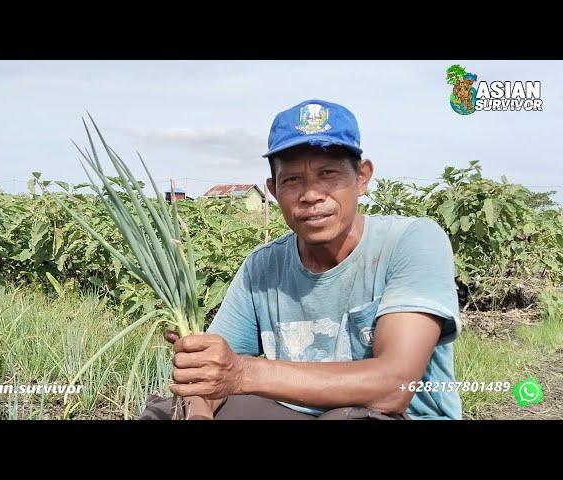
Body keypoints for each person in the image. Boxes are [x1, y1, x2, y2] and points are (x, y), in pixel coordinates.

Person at [140, 99, 462, 420]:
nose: (311, 194)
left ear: (362, 178)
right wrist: (199, 412)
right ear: (273, 190)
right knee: (165, 412)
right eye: (293, 180)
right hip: (298, 414)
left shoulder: (411, 242)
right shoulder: (262, 268)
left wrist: (241, 373)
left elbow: (393, 387)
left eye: (328, 173)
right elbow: (209, 375)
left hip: (386, 415)